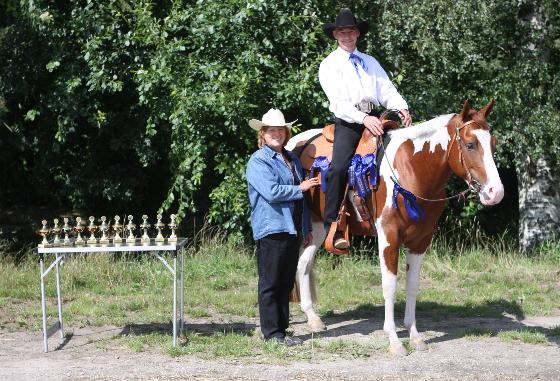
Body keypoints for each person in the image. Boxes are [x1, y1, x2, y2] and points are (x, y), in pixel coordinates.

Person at [319, 8, 412, 249]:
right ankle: (333, 225)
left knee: (402, 159)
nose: (346, 36)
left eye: (350, 31)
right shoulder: (329, 65)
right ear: (335, 35)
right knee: (338, 167)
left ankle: (396, 214)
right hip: (350, 120)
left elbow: (387, 90)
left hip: (375, 118)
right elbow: (338, 103)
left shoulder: (370, 62)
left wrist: (401, 107)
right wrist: (362, 119)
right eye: (342, 32)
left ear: (357, 33)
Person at [245, 108, 319, 346]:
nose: (276, 134)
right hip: (272, 228)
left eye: (280, 130)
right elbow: (271, 192)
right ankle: (271, 334)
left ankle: (281, 330)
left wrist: (305, 227)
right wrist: (301, 188)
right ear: (263, 134)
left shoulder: (292, 159)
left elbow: (302, 202)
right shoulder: (258, 161)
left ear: (285, 133)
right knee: (271, 282)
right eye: (271, 130)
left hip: (292, 228)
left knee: (286, 282)